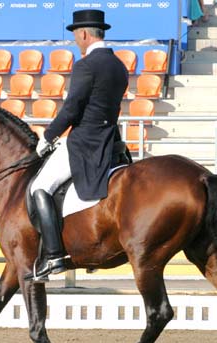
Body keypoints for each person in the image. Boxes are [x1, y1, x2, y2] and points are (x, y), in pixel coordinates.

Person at [25, 9, 129, 282]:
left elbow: (72, 108)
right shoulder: (119, 65)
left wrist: (48, 137)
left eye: (75, 36)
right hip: (111, 140)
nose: (75, 40)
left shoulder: (86, 65)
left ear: (83, 34)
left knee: (40, 187)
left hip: (84, 143)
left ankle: (54, 255)